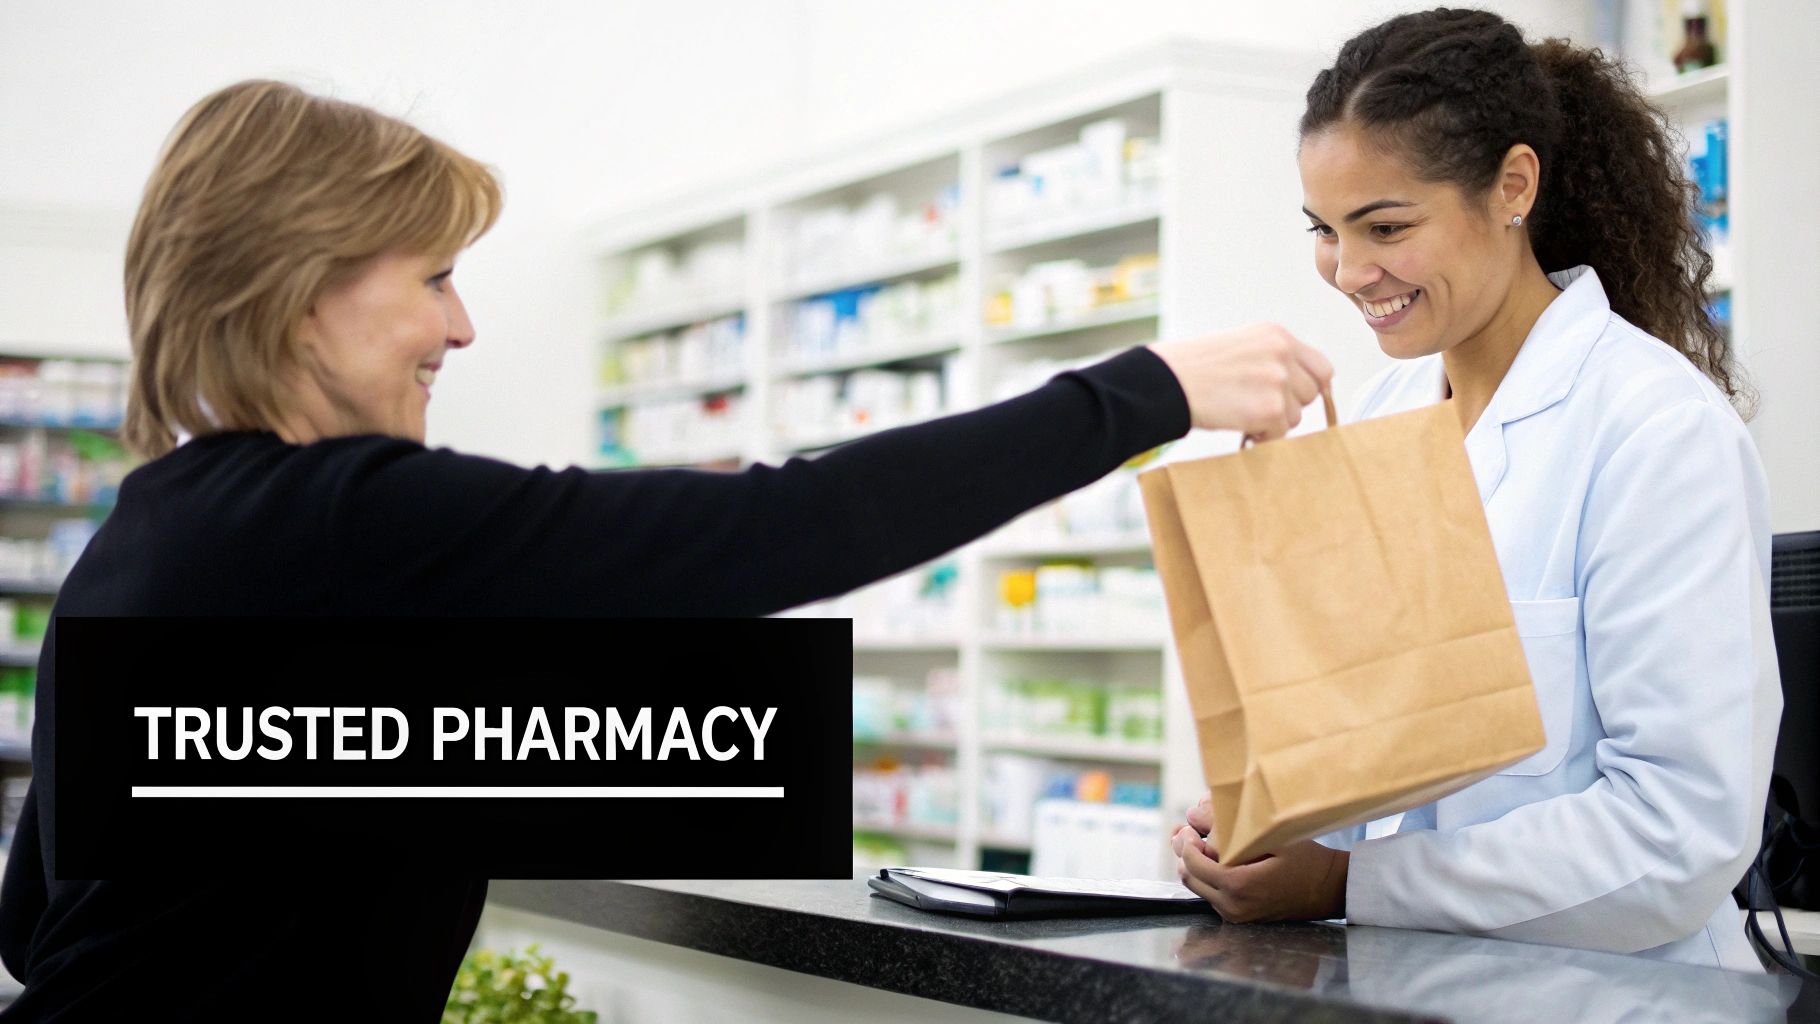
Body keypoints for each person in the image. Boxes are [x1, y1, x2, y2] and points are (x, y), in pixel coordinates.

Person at [0, 81, 1332, 1021]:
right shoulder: (347, 510)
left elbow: (36, 915)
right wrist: (1146, 390)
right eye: (433, 277)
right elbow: (776, 529)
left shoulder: (151, 526)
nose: (460, 329)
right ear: (299, 291)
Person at [1171, 8, 1779, 972]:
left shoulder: (1654, 429)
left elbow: (1679, 833)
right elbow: (1372, 751)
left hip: (1621, 996)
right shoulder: (1383, 412)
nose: (1348, 270)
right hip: (1406, 978)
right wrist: (1267, 818)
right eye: (1324, 230)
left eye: (1385, 226)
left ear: (1513, 187)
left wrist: (1341, 883)